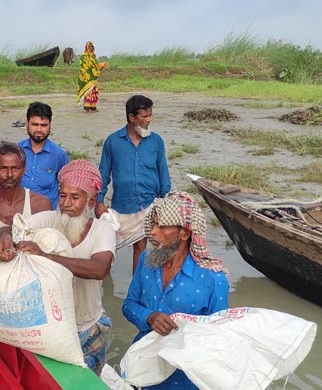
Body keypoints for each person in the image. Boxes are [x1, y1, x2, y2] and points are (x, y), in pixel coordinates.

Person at [0, 160, 116, 374]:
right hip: (49, 328)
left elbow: (99, 269)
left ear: (91, 201)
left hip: (85, 328)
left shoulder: (102, 230)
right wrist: (4, 238)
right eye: (62, 195)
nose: (66, 203)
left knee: (84, 384)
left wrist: (44, 256)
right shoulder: (50, 219)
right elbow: (9, 228)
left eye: (75, 197)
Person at [122, 191, 229, 389]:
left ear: (185, 233)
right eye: (152, 224)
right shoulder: (146, 261)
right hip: (142, 367)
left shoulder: (214, 279)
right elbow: (128, 305)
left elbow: (217, 338)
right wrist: (149, 317)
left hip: (185, 380)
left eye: (161, 226)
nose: (153, 232)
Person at [97, 95, 171, 272]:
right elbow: (103, 174)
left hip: (148, 205)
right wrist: (99, 202)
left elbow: (163, 173)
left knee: (140, 248)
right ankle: (103, 284)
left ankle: (136, 287)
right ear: (132, 118)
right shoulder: (113, 142)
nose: (148, 120)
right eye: (144, 116)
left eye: (150, 116)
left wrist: (165, 202)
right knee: (105, 249)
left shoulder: (156, 141)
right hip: (121, 206)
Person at [0, 141, 51, 245]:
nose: (9, 174)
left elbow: (48, 246)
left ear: (24, 169)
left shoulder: (40, 204)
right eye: (3, 168)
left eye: (15, 168)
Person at [18, 102, 70, 208]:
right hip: (19, 213)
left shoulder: (58, 155)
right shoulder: (16, 151)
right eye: (35, 124)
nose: (39, 130)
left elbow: (69, 185)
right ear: (27, 124)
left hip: (48, 216)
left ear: (50, 125)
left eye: (44, 125)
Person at [76, 41, 107, 113]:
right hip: (87, 78)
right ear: (86, 47)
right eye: (89, 46)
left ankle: (93, 107)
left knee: (94, 93)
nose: (91, 48)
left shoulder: (93, 57)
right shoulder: (83, 57)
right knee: (88, 92)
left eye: (92, 46)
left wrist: (101, 66)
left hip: (94, 78)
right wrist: (93, 71)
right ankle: (87, 109)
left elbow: (95, 67)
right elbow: (84, 67)